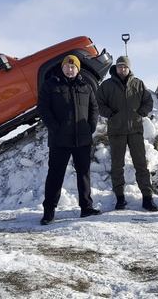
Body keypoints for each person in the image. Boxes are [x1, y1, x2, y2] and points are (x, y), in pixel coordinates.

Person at [37, 54, 101, 225]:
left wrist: (90, 127)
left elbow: (94, 108)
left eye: (73, 67)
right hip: (59, 140)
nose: (70, 70)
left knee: (84, 174)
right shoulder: (51, 85)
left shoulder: (85, 86)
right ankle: (49, 211)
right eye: (67, 67)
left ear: (78, 69)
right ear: (63, 68)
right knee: (55, 175)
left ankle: (86, 207)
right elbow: (43, 109)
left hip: (82, 139)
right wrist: (55, 128)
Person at [97, 56, 158, 211]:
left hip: (135, 131)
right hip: (116, 131)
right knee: (117, 166)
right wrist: (111, 114)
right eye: (119, 67)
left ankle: (147, 198)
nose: (122, 69)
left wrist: (140, 113)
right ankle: (120, 198)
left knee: (141, 165)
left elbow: (148, 102)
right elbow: (99, 103)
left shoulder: (138, 84)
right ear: (116, 68)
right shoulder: (107, 85)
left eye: (125, 67)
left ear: (129, 68)